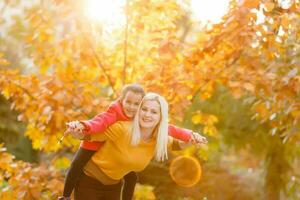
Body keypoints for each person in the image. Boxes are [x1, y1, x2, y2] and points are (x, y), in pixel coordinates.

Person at [59, 84, 207, 200]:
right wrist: (78, 128)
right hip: (88, 182)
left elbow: (176, 143)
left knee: (132, 177)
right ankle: (64, 196)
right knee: (77, 163)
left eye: (154, 112)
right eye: (145, 109)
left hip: (114, 186)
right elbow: (92, 133)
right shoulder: (121, 127)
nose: (147, 115)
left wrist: (191, 138)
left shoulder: (158, 137)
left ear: (160, 117)